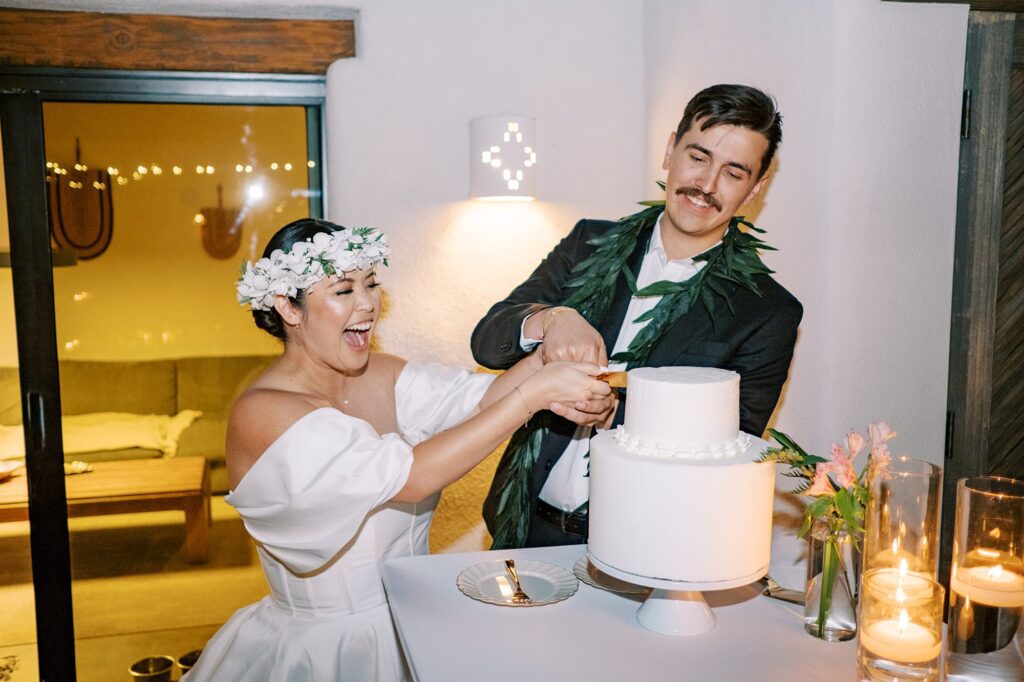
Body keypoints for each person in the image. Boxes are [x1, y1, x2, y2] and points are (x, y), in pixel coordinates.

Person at [184, 218, 610, 681]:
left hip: (417, 619)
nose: (368, 303)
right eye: (343, 290)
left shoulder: (380, 372)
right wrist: (535, 394)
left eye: (371, 284)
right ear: (288, 305)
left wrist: (552, 341)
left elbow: (480, 402)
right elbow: (411, 478)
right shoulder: (264, 411)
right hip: (332, 647)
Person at [472, 83, 803, 549]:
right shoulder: (588, 243)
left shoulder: (768, 312)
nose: (707, 185)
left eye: (733, 172)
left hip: (647, 547)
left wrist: (616, 416)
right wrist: (551, 319)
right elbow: (488, 341)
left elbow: (732, 449)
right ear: (670, 151)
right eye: (698, 157)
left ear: (755, 188)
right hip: (521, 527)